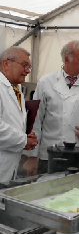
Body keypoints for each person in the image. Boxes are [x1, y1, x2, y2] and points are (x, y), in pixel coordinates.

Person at [23, 40, 79, 176]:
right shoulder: (46, 82)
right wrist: (32, 156)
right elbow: (35, 121)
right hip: (49, 155)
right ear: (67, 59)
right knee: (48, 193)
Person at [0, 46, 38, 184]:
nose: (27, 70)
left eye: (29, 67)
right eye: (24, 65)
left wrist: (26, 137)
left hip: (8, 166)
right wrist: (22, 140)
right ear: (6, 64)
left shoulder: (16, 88)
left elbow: (11, 122)